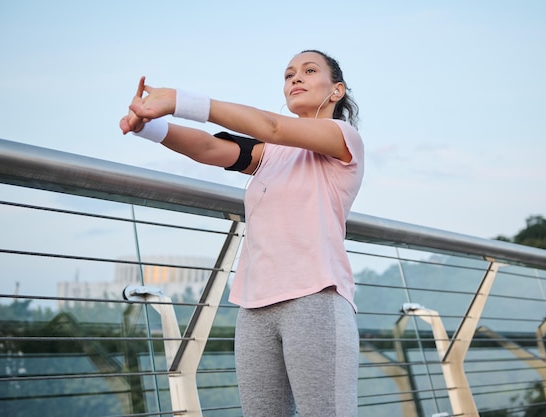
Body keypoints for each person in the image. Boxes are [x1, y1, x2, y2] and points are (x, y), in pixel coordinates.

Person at [120, 49, 364, 417]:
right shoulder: (273, 153)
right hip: (255, 306)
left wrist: (180, 101)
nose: (295, 78)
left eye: (309, 71)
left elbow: (273, 126)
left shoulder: (342, 138)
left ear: (336, 90)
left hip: (315, 297)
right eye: (288, 74)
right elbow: (210, 148)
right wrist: (148, 127)